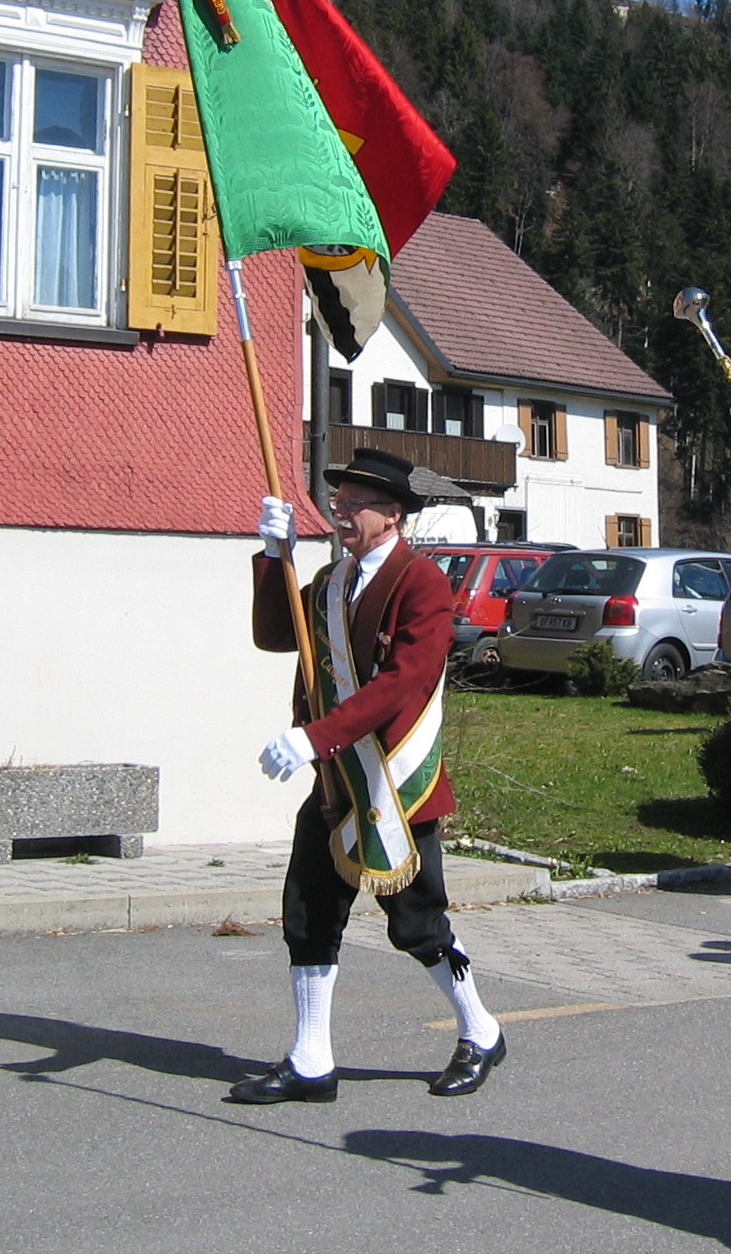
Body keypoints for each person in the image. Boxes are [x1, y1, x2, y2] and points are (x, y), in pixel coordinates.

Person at [239, 447, 506, 1104]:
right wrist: (273, 558)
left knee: (417, 924)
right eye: (339, 500)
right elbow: (276, 634)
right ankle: (311, 1060)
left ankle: (480, 1029)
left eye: (356, 503)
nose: (341, 511)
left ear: (393, 515)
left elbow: (404, 681)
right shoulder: (332, 580)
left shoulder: (422, 583)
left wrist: (315, 736)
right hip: (335, 779)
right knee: (308, 913)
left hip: (394, 783)